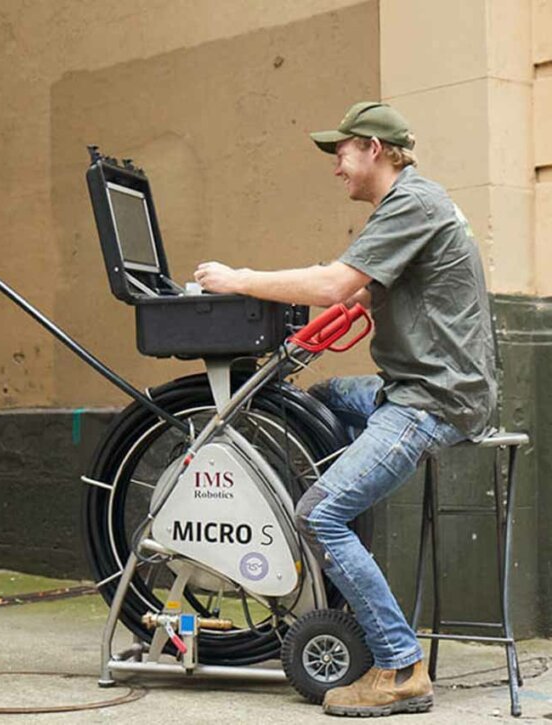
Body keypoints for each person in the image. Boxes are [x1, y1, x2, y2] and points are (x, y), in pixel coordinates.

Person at [194, 101, 496, 717]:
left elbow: (335, 283)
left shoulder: (412, 204)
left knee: (320, 514)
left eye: (342, 152)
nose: (337, 167)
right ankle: (346, 541)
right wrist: (300, 338)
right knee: (327, 397)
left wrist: (239, 278)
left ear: (374, 150)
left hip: (430, 400)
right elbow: (357, 290)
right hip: (418, 385)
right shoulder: (411, 204)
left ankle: (399, 665)